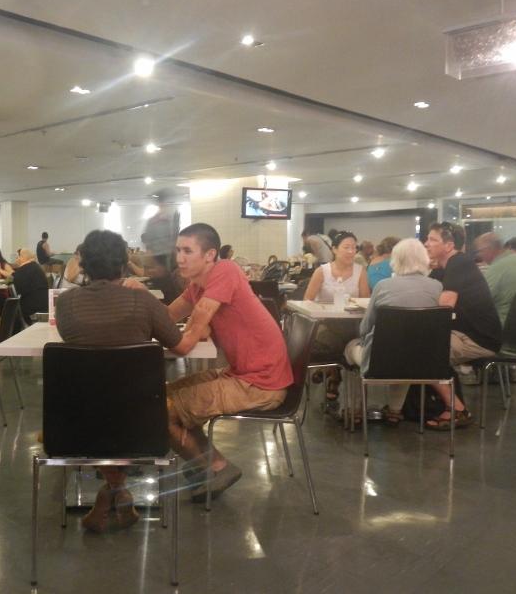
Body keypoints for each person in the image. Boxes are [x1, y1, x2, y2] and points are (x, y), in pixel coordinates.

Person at [56, 230, 199, 532]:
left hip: (75, 425)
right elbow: (178, 344)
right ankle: (117, 493)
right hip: (143, 423)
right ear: (123, 264)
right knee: (119, 409)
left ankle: (111, 493)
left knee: (102, 405)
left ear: (83, 264)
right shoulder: (142, 301)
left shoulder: (64, 304)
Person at [159, 223, 293, 502]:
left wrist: (182, 333)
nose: (179, 258)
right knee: (161, 396)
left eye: (187, 251)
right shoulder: (197, 286)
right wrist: (138, 306)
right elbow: (166, 318)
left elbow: (189, 336)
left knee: (158, 410)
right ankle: (207, 465)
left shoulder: (225, 270)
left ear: (210, 255)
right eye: (178, 250)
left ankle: (215, 468)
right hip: (241, 374)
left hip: (260, 383)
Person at [344, 238, 442, 425]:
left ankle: (357, 408)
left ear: (395, 260)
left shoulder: (383, 286)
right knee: (407, 354)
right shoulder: (436, 287)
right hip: (424, 363)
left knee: (350, 347)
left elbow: (365, 328)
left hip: (379, 361)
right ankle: (395, 411)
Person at [424, 222, 501, 429]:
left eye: (432, 239)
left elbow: (444, 306)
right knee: (420, 347)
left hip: (478, 338)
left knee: (422, 354)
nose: (426, 243)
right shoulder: (448, 266)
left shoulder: (459, 263)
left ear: (449, 245)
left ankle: (457, 410)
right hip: (466, 333)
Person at [304, 231, 371, 402]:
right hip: (326, 323)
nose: (351, 251)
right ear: (334, 249)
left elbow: (366, 302)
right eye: (346, 247)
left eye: (354, 248)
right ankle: (333, 373)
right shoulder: (322, 271)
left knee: (340, 337)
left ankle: (330, 370)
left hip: (352, 323)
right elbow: (307, 301)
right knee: (333, 337)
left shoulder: (360, 272)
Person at [474, 232, 516, 326]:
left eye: (480, 251)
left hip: (504, 325)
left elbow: (480, 301)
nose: (479, 255)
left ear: (489, 249)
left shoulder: (497, 268)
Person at [12, 248, 49, 323]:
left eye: (18, 256)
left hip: (32, 310)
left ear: (23, 257)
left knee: (10, 310)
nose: (17, 259)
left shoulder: (23, 270)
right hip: (43, 306)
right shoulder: (35, 267)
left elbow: (17, 289)